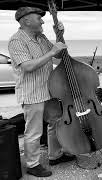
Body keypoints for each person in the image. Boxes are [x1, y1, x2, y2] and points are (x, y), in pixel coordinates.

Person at [8, 7, 75, 177]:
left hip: (49, 90)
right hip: (32, 93)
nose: (43, 21)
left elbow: (59, 56)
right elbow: (28, 66)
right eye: (39, 18)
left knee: (57, 122)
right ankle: (32, 164)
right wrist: (52, 52)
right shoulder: (16, 41)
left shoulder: (41, 37)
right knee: (34, 131)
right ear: (26, 21)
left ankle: (55, 155)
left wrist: (60, 35)